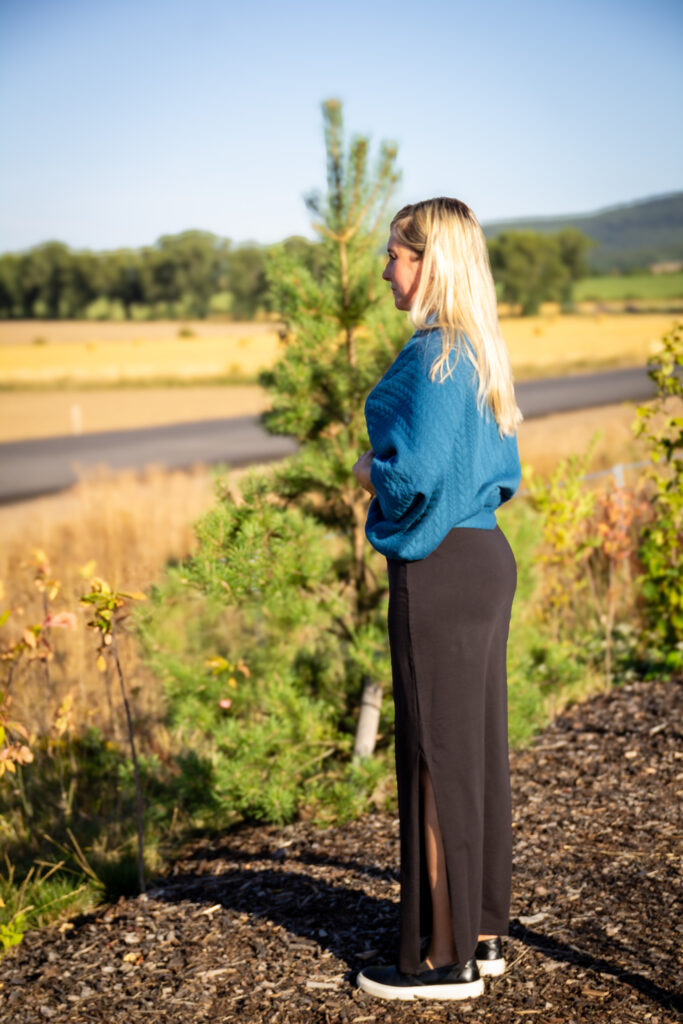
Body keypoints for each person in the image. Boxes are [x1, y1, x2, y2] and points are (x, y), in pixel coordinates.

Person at [352, 197, 522, 1001]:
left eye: (394, 253)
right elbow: (498, 472)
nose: (384, 268)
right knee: (475, 750)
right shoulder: (480, 351)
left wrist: (369, 472)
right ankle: (482, 934)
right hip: (484, 555)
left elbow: (412, 476)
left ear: (427, 262)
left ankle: (441, 958)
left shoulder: (434, 356)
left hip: (441, 566)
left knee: (434, 757)